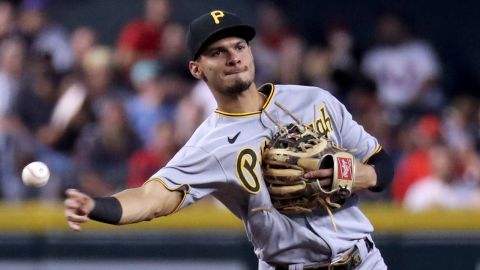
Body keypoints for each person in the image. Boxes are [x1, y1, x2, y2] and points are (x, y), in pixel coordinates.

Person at [65, 10, 394, 270]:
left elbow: (381, 164)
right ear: (196, 69)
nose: (233, 57)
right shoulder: (210, 145)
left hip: (364, 260)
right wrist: (97, 206)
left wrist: (354, 174)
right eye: (217, 52)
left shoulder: (314, 100)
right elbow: (153, 198)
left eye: (239, 46)